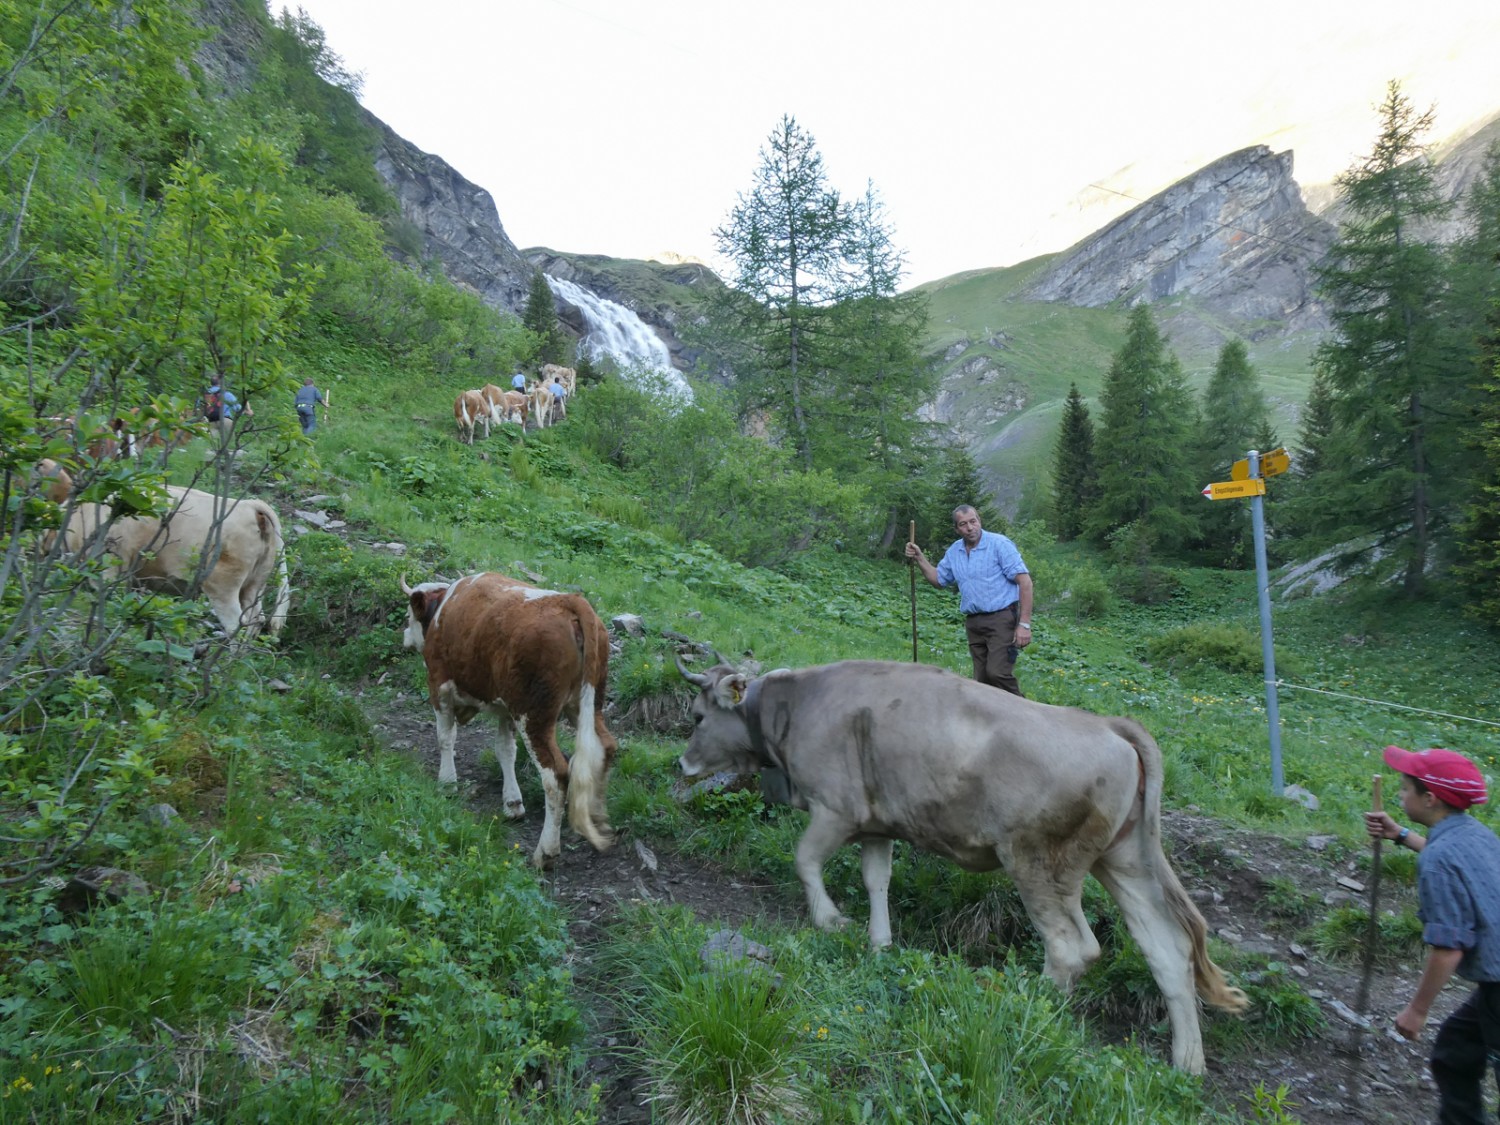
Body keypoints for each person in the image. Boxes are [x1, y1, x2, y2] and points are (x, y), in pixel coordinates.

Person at [1364, 745, 1500, 1124]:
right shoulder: (1474, 834)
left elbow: (1449, 949)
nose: (1399, 795)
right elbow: (1454, 861)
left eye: (1405, 788)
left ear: (1430, 798)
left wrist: (1416, 1010)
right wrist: (1401, 834)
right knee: (1455, 1052)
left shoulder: (1438, 862)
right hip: (1495, 986)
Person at [906, 504, 1033, 696]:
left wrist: (1024, 624)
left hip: (1001, 618)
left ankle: (1025, 714)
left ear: (979, 521)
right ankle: (990, 721)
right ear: (957, 529)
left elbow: (1025, 583)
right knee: (981, 681)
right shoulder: (955, 551)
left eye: (973, 521)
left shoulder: (999, 544)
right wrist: (919, 558)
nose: (970, 527)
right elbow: (939, 580)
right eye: (963, 524)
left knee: (997, 673)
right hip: (974, 622)